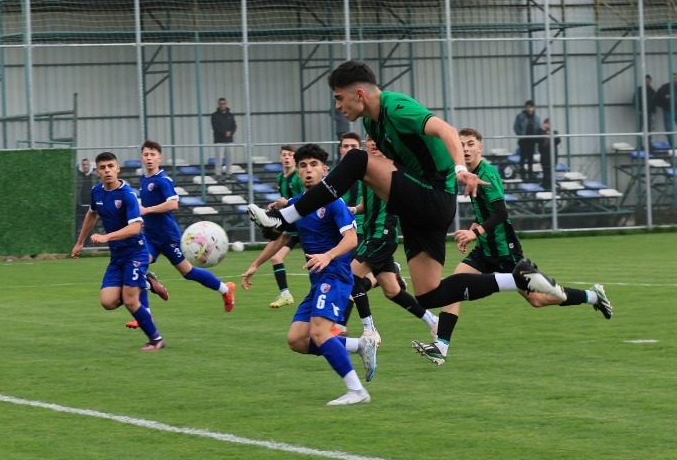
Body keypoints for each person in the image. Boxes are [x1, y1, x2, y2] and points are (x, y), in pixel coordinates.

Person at [247, 59, 569, 311]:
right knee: (429, 295)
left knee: (357, 159)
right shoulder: (372, 121)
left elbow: (445, 129)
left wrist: (459, 169)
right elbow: (390, 171)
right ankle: (518, 279)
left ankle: (289, 216)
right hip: (420, 207)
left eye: (339, 98)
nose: (337, 106)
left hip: (434, 195)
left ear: (359, 94)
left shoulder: (395, 107)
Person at [411, 128, 613, 366]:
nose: (465, 148)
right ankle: (441, 346)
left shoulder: (487, 174)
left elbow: (500, 213)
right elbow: (484, 213)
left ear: (480, 148)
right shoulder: (468, 174)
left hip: (505, 250)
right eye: (461, 144)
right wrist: (472, 234)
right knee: (452, 287)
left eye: (470, 144)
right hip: (484, 250)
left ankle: (592, 296)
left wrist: (474, 231)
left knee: (538, 300)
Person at [240, 143, 378, 405]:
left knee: (319, 333)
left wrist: (327, 255)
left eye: (314, 165)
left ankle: (357, 391)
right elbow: (281, 238)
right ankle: (358, 345)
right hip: (318, 282)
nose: (308, 170)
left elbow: (351, 240)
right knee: (296, 340)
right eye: (303, 165)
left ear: (325, 170)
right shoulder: (296, 205)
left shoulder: (334, 203)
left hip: (336, 276)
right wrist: (255, 265)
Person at [334, 133, 440, 346]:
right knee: (392, 291)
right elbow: (365, 203)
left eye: (377, 140)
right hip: (370, 235)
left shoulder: (394, 169)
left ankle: (369, 330)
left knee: (351, 277)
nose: (373, 143)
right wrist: (352, 209)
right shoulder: (367, 170)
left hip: (382, 236)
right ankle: (433, 321)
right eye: (370, 140)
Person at [72, 151, 165, 350]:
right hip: (117, 257)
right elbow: (91, 215)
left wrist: (106, 237)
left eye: (110, 167)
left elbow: (135, 227)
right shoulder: (97, 192)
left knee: (131, 301)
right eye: (103, 168)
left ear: (118, 169)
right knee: (107, 302)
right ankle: (145, 282)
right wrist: (80, 242)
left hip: (136, 253)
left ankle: (156, 340)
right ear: (98, 172)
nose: (107, 171)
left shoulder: (128, 194)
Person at [134, 140, 236, 312]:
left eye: (153, 155)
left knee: (188, 273)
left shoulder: (163, 180)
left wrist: (147, 210)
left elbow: (173, 204)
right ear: (141, 158)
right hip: (150, 237)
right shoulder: (143, 179)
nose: (149, 158)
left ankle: (226, 290)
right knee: (137, 266)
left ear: (160, 158)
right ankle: (145, 314)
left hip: (169, 237)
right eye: (146, 155)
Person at [262, 144, 302, 309]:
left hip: (303, 224)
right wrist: (276, 205)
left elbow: (304, 198)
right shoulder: (280, 177)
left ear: (294, 158)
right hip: (292, 226)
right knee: (276, 258)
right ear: (280, 158)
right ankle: (285, 294)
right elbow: (285, 201)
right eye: (284, 155)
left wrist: (287, 203)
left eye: (290, 155)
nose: (287, 157)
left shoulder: (298, 177)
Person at [513, 100, 543, 181]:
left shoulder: (536, 118)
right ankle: (522, 172)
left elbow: (538, 128)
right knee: (523, 157)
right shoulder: (520, 116)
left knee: (530, 157)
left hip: (532, 140)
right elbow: (516, 127)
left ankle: (530, 173)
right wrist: (521, 135)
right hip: (523, 140)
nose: (529, 109)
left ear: (533, 108)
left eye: (530, 107)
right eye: (527, 107)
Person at [210, 97, 238, 173]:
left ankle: (229, 173)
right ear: (218, 105)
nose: (222, 105)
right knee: (219, 159)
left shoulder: (230, 115)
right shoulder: (214, 115)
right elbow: (215, 127)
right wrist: (224, 132)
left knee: (229, 159)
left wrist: (230, 132)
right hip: (219, 140)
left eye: (223, 103)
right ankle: (218, 174)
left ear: (226, 104)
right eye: (220, 104)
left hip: (229, 140)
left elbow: (234, 126)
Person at [75, 158, 97, 233]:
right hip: (80, 206)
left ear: (89, 165)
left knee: (90, 227)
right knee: (79, 226)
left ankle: (89, 244)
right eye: (83, 164)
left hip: (91, 206)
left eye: (87, 164)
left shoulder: (94, 177)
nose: (85, 166)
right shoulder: (78, 177)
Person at [636, 74, 659, 142]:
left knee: (648, 129)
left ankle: (649, 144)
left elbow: (655, 102)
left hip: (649, 112)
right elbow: (635, 100)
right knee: (639, 128)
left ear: (650, 81)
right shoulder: (639, 90)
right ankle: (639, 145)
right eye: (646, 80)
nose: (647, 81)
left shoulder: (652, 91)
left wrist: (653, 111)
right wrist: (639, 109)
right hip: (641, 112)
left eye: (648, 80)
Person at [657, 73, 676, 146]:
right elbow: (659, 96)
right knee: (669, 128)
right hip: (669, 109)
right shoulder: (666, 87)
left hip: (670, 109)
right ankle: (672, 146)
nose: (675, 79)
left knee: (669, 127)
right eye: (674, 77)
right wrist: (664, 105)